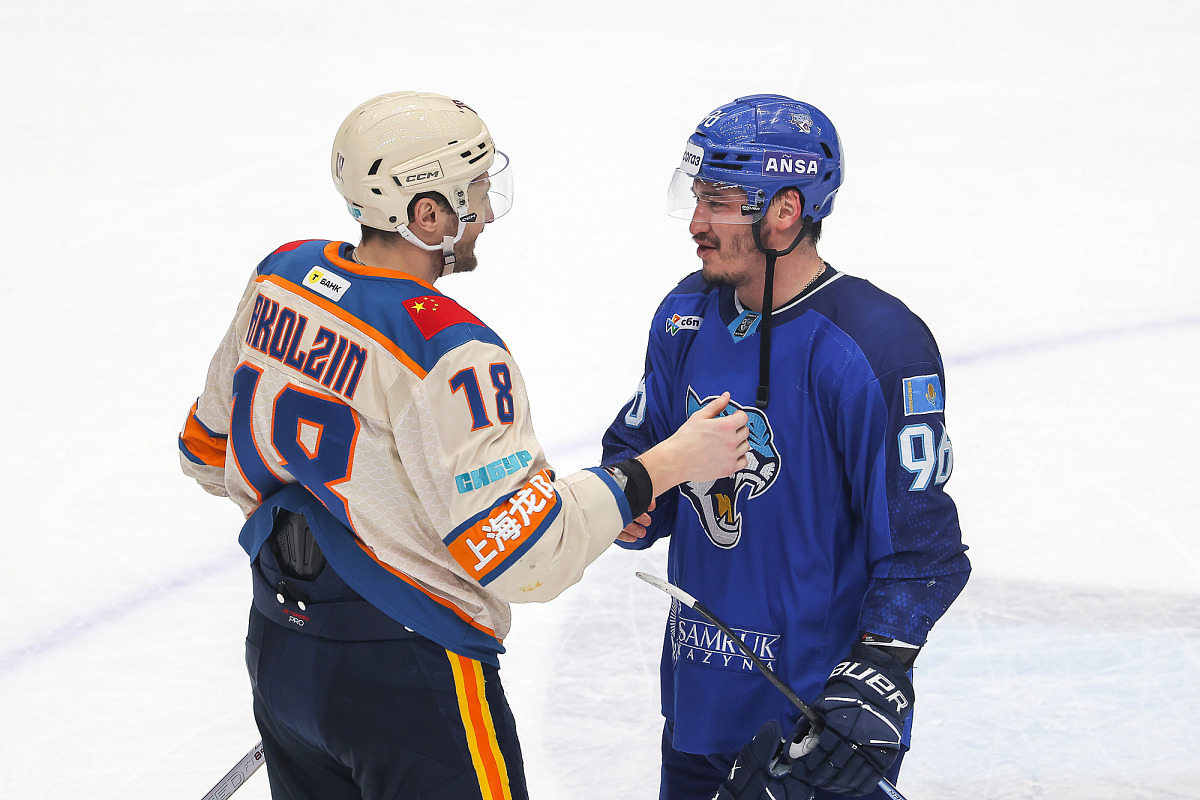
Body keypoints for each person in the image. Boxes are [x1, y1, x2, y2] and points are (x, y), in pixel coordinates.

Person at [178, 91, 751, 800]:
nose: (485, 213)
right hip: (410, 678)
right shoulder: (451, 351)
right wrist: (666, 464)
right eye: (474, 192)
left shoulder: (281, 276)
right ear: (427, 214)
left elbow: (205, 450)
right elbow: (527, 557)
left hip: (280, 650)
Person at [601, 94, 971, 800]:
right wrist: (628, 501)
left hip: (817, 722)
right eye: (696, 197)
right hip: (699, 697)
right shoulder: (685, 313)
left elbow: (922, 548)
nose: (696, 223)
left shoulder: (876, 343)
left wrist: (877, 673)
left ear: (785, 210)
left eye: (718, 202)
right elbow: (640, 449)